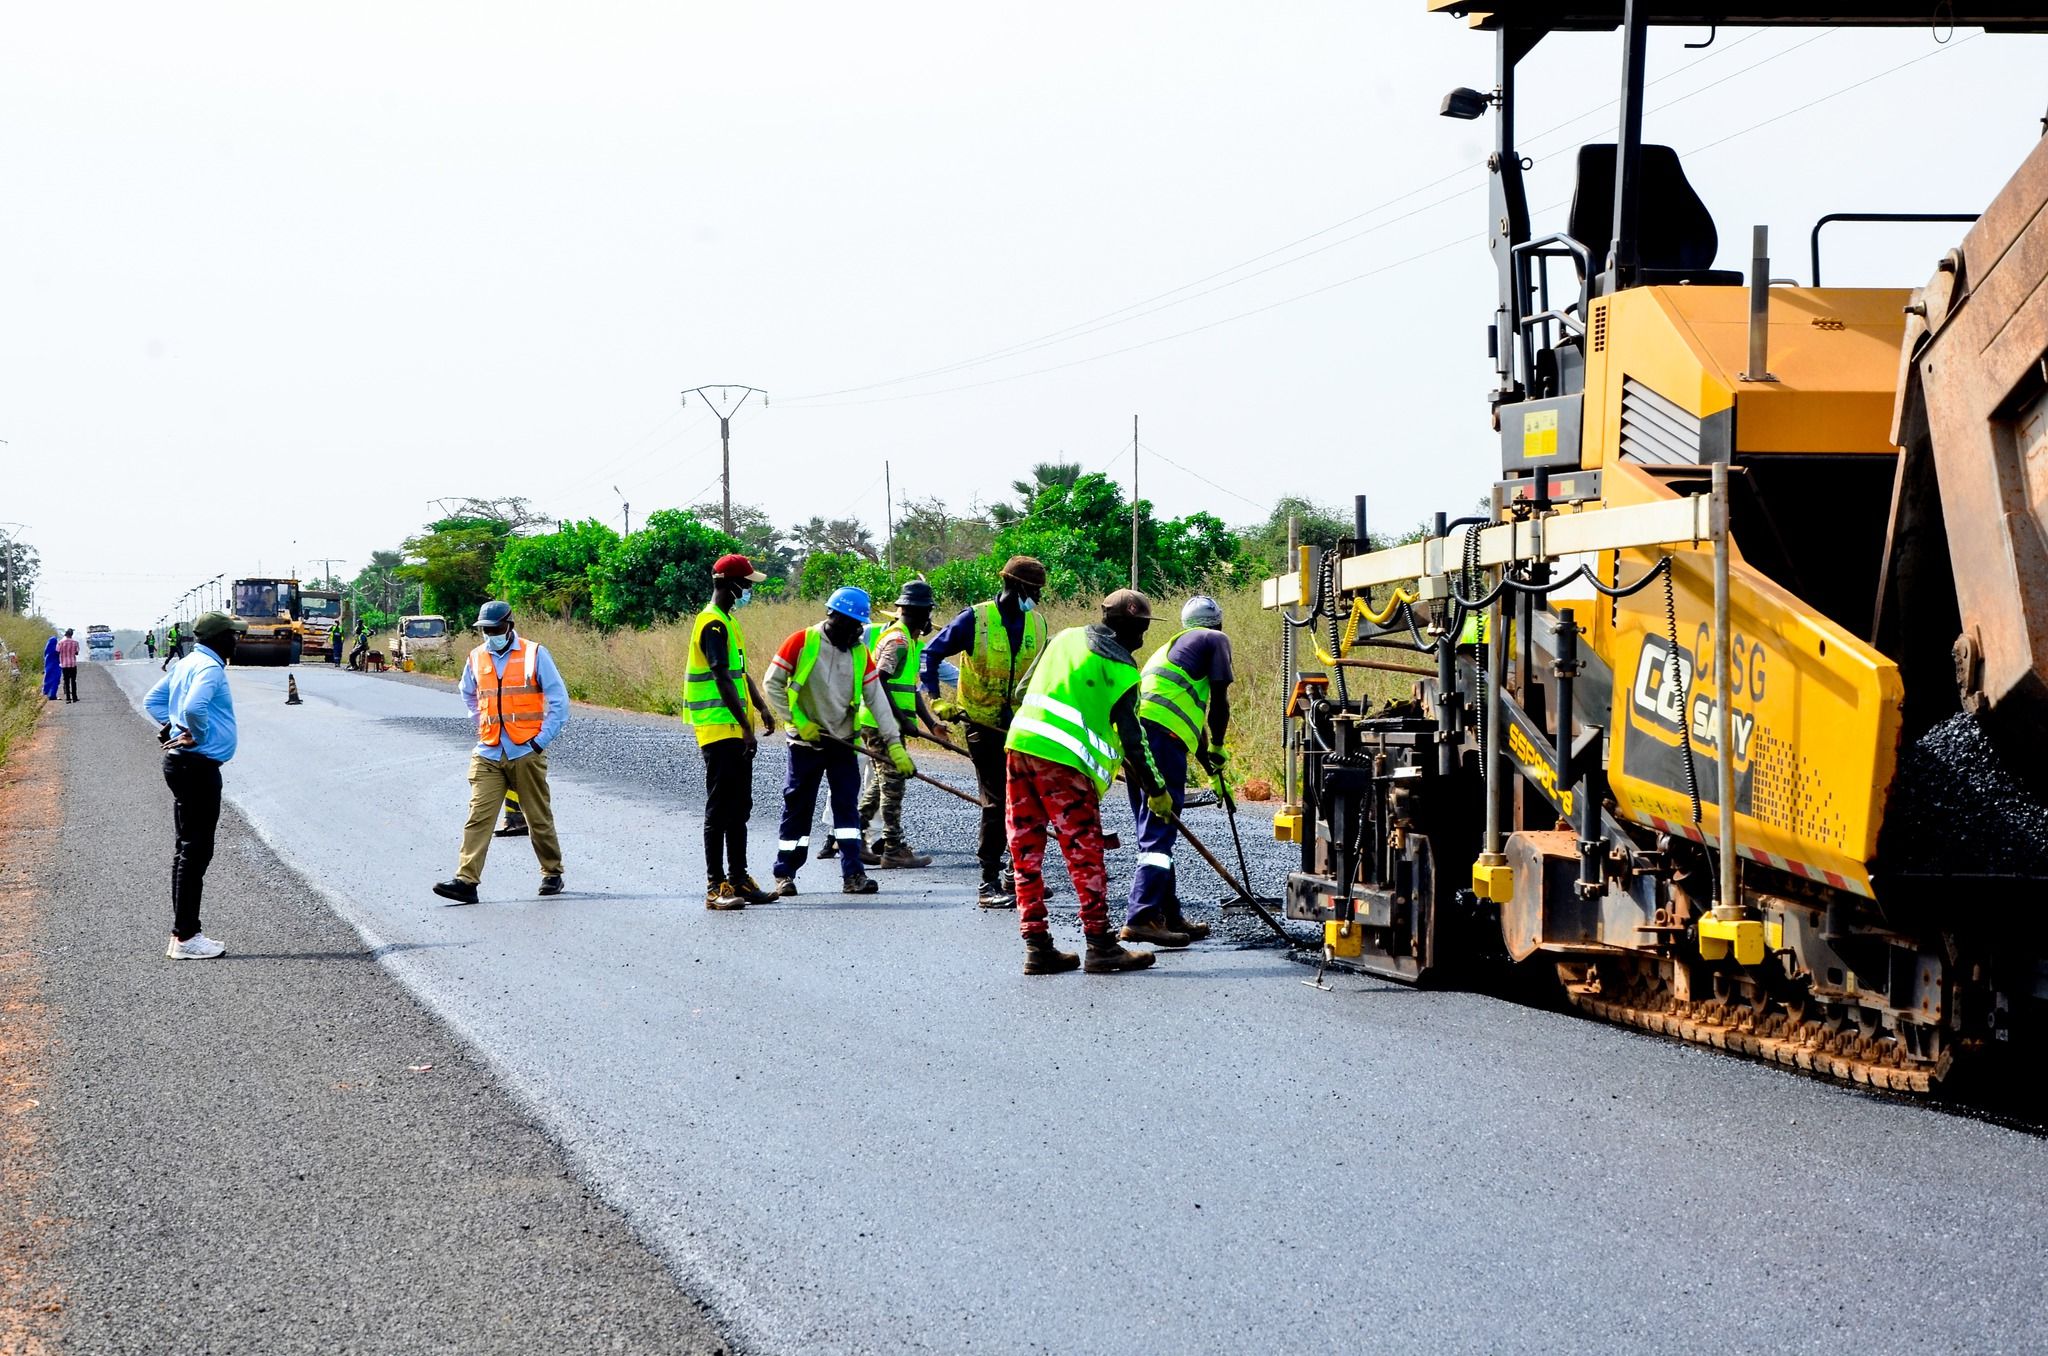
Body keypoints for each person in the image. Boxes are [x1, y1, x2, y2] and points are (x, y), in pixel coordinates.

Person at [1004, 589, 1173, 975]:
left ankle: (1038, 947)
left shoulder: (1063, 638)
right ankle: (1100, 945)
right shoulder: (1124, 670)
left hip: (1019, 748)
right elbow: (1134, 741)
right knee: (1084, 854)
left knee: (1025, 851)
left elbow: (1020, 692)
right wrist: (1157, 790)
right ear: (1134, 627)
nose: (1144, 638)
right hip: (1066, 766)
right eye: (1143, 629)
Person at [762, 586, 915, 896]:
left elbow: (877, 701)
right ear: (833, 617)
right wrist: (797, 721)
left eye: (859, 625)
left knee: (847, 810)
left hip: (843, 742)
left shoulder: (860, 653)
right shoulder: (802, 641)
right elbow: (772, 683)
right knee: (798, 808)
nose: (856, 631)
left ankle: (853, 876)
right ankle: (785, 873)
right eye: (850, 624)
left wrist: (894, 742)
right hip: (806, 743)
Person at [920, 555, 1048, 907]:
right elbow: (929, 655)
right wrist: (936, 700)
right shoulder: (975, 619)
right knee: (996, 802)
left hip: (1022, 726)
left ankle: (1015, 874)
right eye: (1034, 590)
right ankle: (987, 882)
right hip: (981, 724)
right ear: (1017, 585)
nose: (1037, 597)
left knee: (1028, 800)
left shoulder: (1038, 624)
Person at [432, 601, 569, 904]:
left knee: (537, 817)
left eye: (494, 629)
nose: (489, 635)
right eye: (484, 631)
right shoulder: (476, 657)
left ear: (509, 625)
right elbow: (467, 693)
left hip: (525, 751)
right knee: (478, 817)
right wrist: (481, 722)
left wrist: (539, 741)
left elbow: (560, 703)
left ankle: (551, 872)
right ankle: (466, 881)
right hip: (489, 751)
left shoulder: (535, 654)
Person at [1121, 594, 1234, 947]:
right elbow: (1219, 701)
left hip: (1137, 741)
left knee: (1154, 827)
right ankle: (1140, 917)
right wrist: (1218, 744)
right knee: (1159, 831)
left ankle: (1166, 915)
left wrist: (1207, 760)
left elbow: (1186, 710)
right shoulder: (1216, 639)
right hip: (1162, 741)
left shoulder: (1173, 647)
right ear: (1217, 621)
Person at [144, 610, 248, 959]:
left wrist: (169, 728)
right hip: (197, 766)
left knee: (187, 849)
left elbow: (153, 701)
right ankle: (187, 937)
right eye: (234, 635)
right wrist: (195, 735)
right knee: (196, 851)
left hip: (182, 766)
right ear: (220, 638)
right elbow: (193, 707)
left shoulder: (186, 663)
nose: (238, 640)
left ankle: (182, 934)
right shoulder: (209, 668)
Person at [687, 554, 780, 909]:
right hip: (719, 729)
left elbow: (740, 673)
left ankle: (739, 879)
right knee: (720, 808)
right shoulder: (712, 623)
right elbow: (719, 675)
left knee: (740, 807)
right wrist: (746, 728)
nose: (749, 591)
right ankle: (716, 886)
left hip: (735, 728)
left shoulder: (728, 621)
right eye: (747, 584)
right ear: (730, 584)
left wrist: (760, 706)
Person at [856, 579, 944, 868]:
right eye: (928, 612)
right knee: (893, 785)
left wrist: (930, 724)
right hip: (882, 724)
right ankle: (892, 849)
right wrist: (900, 721)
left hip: (884, 722)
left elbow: (909, 687)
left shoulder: (910, 639)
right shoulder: (899, 640)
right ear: (920, 612)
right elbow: (879, 681)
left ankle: (851, 838)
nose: (930, 618)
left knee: (882, 784)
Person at [56, 628, 79, 702]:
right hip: (73, 664)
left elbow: (57, 651)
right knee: (73, 681)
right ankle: (74, 698)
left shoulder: (60, 642)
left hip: (64, 664)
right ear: (72, 635)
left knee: (66, 681)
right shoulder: (75, 642)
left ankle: (68, 698)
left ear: (65, 634)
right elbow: (76, 653)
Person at [40, 635, 59, 701]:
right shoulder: (56, 649)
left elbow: (45, 655)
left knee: (47, 679)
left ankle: (45, 693)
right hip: (56, 666)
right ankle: (52, 695)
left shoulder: (47, 649)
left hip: (48, 666)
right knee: (55, 680)